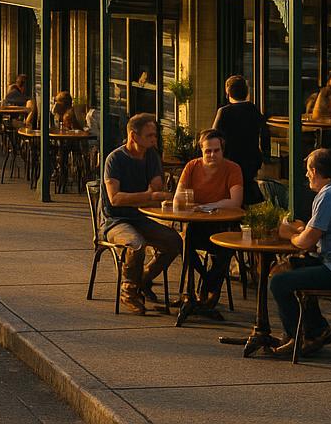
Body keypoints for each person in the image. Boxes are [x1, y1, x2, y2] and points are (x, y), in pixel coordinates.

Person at [269, 148, 331, 357]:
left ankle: (299, 338)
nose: (306, 175)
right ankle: (318, 330)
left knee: (278, 282)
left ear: (314, 171)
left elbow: (307, 242)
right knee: (287, 267)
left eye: (307, 171)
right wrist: (301, 232)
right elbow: (314, 232)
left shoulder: (327, 197)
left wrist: (291, 236)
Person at [101, 112, 181, 315]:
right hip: (115, 221)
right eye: (149, 135)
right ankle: (128, 291)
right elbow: (115, 199)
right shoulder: (115, 159)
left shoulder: (151, 155)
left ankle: (143, 279)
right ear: (133, 136)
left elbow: (156, 187)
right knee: (136, 244)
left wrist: (149, 195)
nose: (154, 140)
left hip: (140, 217)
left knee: (174, 241)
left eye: (155, 135)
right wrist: (147, 195)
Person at [175, 130, 243, 320]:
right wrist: (186, 204)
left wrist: (209, 206)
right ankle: (199, 287)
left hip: (223, 225)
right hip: (197, 225)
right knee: (184, 240)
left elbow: (236, 201)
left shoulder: (232, 168)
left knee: (226, 248)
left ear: (222, 151)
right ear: (201, 151)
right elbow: (179, 197)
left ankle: (207, 292)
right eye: (208, 151)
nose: (212, 155)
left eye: (216, 151)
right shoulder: (192, 167)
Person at [212, 74, 270, 207]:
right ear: (246, 92)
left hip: (230, 159)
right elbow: (265, 134)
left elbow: (213, 136)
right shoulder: (254, 110)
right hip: (250, 160)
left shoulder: (224, 112)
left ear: (228, 93)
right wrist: (264, 155)